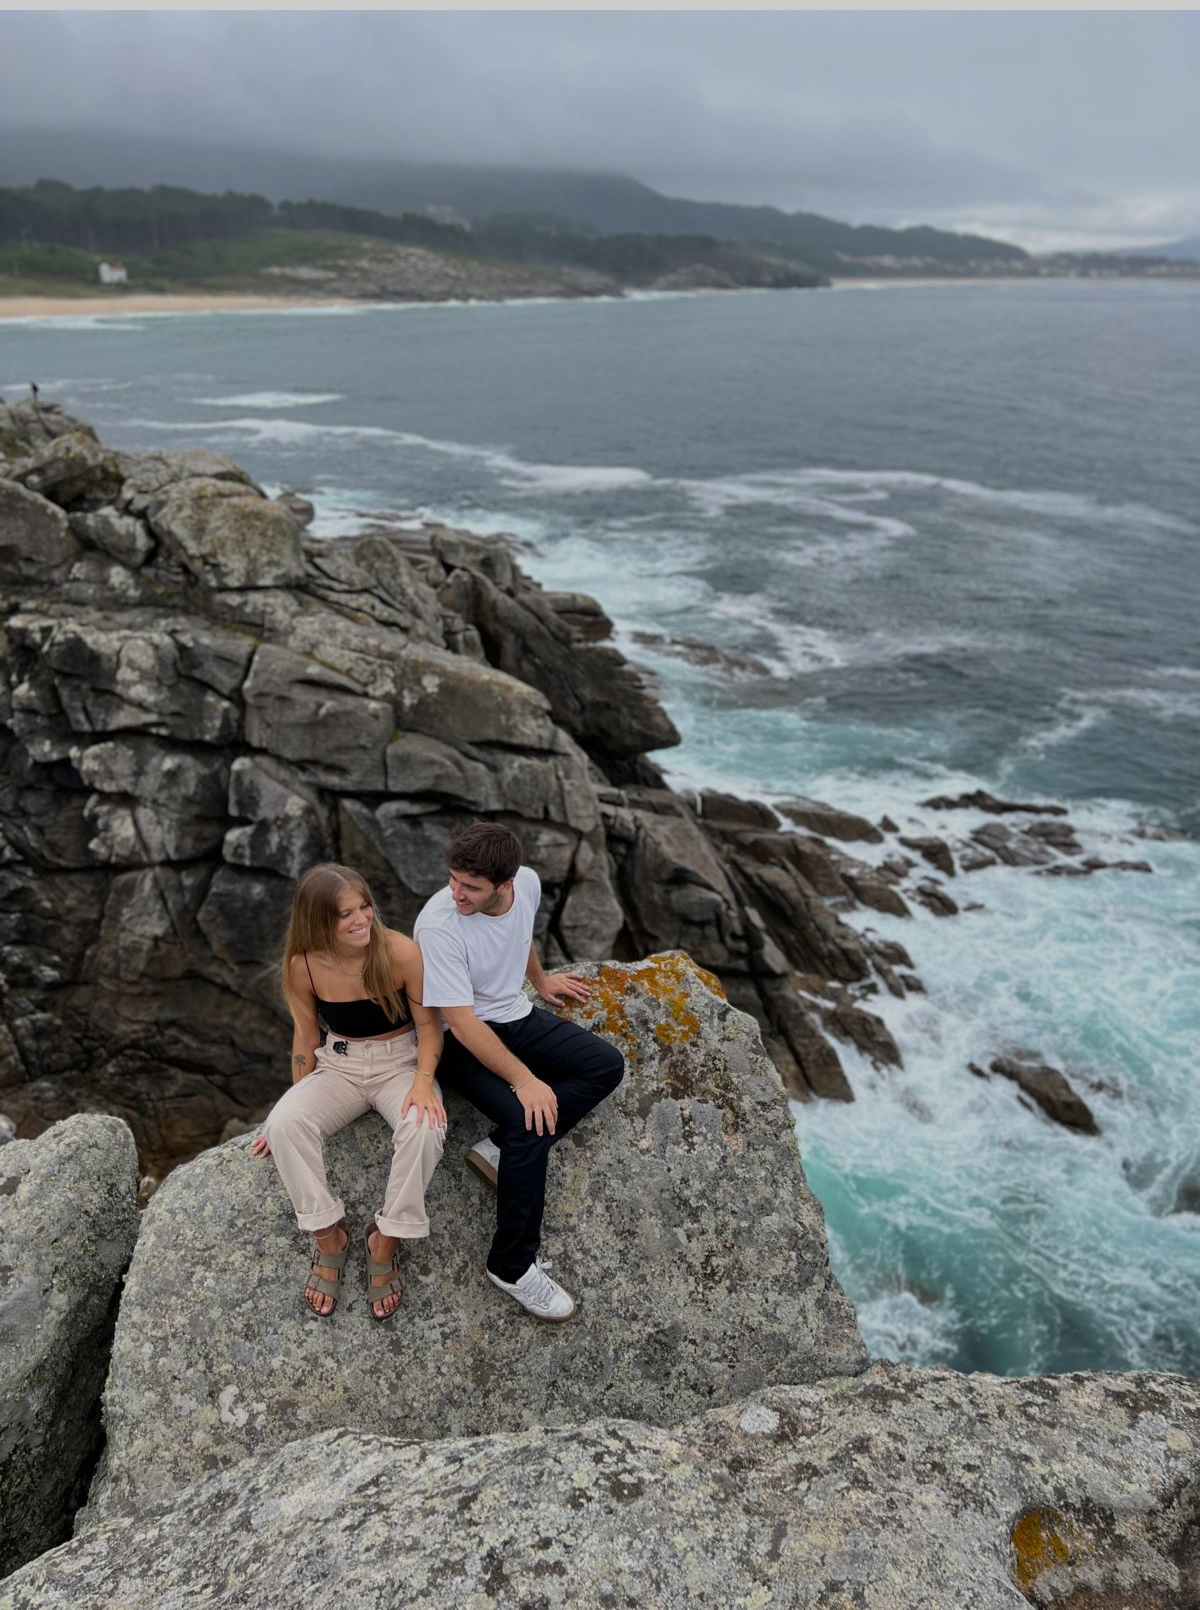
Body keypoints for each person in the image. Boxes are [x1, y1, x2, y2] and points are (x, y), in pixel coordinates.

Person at [414, 822, 623, 1322]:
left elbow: (522, 931)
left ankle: (498, 1150)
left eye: (471, 887)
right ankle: (510, 1265)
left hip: (515, 1015)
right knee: (531, 1121)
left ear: (505, 883)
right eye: (453, 880)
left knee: (605, 1065)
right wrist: (526, 1082)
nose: (456, 893)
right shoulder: (438, 924)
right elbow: (461, 1023)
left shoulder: (526, 882)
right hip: (460, 1042)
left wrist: (541, 978)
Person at [252, 863, 446, 1322]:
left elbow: (430, 1029)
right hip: (338, 1065)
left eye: (365, 907)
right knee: (284, 1124)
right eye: (345, 914)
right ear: (318, 920)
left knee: (424, 1128)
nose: (361, 919)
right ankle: (328, 1237)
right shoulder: (305, 966)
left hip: (401, 1064)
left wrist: (423, 1082)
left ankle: (386, 1241)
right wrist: (294, 1107)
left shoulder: (400, 952)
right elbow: (304, 1038)